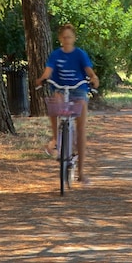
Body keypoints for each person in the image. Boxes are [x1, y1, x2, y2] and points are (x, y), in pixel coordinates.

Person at [35, 23, 100, 184]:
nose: (67, 40)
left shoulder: (80, 54)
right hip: (60, 88)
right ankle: (56, 139)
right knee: (54, 103)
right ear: (60, 39)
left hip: (78, 90)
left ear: (74, 38)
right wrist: (43, 79)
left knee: (81, 128)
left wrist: (93, 79)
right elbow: (48, 71)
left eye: (69, 37)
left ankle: (81, 172)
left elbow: (90, 72)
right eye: (64, 37)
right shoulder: (55, 55)